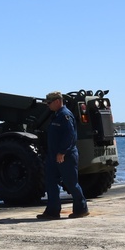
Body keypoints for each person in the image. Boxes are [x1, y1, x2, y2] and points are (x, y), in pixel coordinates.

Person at [37, 91, 89, 220]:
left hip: (65, 155)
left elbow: (70, 136)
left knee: (70, 182)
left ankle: (81, 208)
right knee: (50, 182)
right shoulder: (56, 115)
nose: (47, 105)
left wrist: (62, 152)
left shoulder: (65, 116)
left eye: (49, 103)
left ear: (57, 101)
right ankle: (52, 211)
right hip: (53, 155)